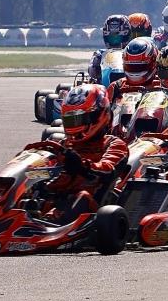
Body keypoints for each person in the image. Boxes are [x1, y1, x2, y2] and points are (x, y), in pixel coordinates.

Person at [35, 84, 129, 220]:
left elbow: (108, 169)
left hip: (93, 209)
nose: (74, 125)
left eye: (78, 119)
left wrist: (82, 166)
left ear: (98, 115)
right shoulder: (63, 146)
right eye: (69, 120)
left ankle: (53, 226)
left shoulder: (113, 144)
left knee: (82, 196)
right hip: (58, 199)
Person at [88, 14, 131, 84]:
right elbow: (92, 73)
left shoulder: (131, 52)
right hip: (104, 88)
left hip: (128, 86)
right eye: (112, 38)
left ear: (127, 35)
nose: (114, 41)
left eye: (117, 38)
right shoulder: (100, 54)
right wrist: (96, 67)